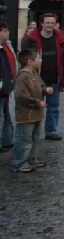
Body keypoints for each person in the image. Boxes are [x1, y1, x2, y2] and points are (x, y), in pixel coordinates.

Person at [25, 13, 64, 141]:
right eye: (47, 23)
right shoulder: (32, 39)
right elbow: (25, 58)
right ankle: (33, 132)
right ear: (42, 24)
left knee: (53, 107)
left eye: (52, 23)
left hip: (54, 79)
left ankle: (51, 131)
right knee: (34, 106)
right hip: (36, 80)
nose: (50, 25)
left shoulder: (60, 38)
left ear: (55, 24)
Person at [9, 50, 51, 172]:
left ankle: (32, 158)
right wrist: (36, 101)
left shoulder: (35, 74)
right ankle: (19, 162)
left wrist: (45, 90)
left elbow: (41, 85)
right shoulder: (23, 76)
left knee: (35, 138)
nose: (40, 60)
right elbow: (21, 95)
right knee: (24, 139)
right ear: (30, 61)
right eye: (38, 58)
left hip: (36, 113)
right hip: (26, 114)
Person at [0, 21, 18, 152]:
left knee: (9, 115)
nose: (8, 33)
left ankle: (7, 140)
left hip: (9, 85)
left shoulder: (8, 45)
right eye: (5, 31)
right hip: (2, 87)